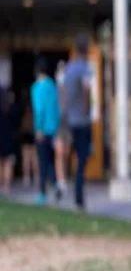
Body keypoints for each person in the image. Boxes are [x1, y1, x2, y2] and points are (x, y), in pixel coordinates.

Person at [64, 34, 92, 212]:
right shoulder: (85, 68)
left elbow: (64, 92)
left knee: (69, 155)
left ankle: (64, 184)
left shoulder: (69, 68)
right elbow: (87, 90)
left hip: (69, 120)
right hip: (82, 121)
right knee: (82, 159)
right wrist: (87, 109)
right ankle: (79, 200)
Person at [31, 56, 61, 205]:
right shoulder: (52, 86)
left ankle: (43, 193)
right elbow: (57, 109)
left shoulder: (37, 88)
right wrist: (55, 127)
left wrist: (38, 128)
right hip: (52, 129)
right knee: (50, 159)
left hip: (43, 129)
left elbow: (39, 109)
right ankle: (55, 185)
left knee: (42, 162)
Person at [54, 60, 70, 195]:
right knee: (59, 153)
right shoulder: (54, 89)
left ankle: (65, 177)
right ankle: (61, 180)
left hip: (68, 124)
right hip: (57, 124)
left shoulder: (70, 88)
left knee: (66, 153)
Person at [0, 88, 20, 195]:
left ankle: (1, 183)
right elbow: (17, 123)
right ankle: (6, 185)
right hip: (10, 138)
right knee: (8, 162)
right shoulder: (12, 107)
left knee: (1, 162)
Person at [20, 89, 38, 187]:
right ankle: (35, 176)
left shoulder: (23, 108)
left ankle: (27, 177)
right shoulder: (35, 106)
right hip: (32, 131)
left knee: (27, 156)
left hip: (26, 132)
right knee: (34, 156)